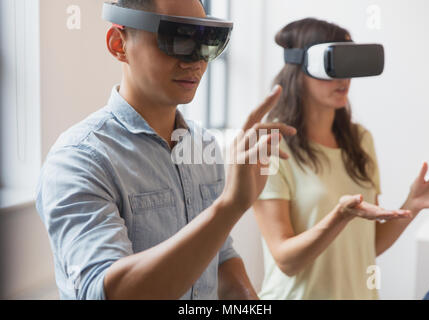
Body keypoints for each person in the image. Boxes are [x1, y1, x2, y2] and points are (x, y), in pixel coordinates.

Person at [35, 0, 298, 300]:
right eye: (177, 39)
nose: (195, 62)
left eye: (205, 43)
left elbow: (220, 258)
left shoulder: (203, 146)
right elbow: (105, 293)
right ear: (118, 44)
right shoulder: (79, 159)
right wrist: (229, 207)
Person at [252, 18, 429, 300]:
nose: (345, 78)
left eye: (350, 64)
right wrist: (338, 217)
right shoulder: (271, 145)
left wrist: (413, 204)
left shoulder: (360, 141)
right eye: (334, 64)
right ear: (300, 67)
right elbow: (286, 261)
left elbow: (368, 245)